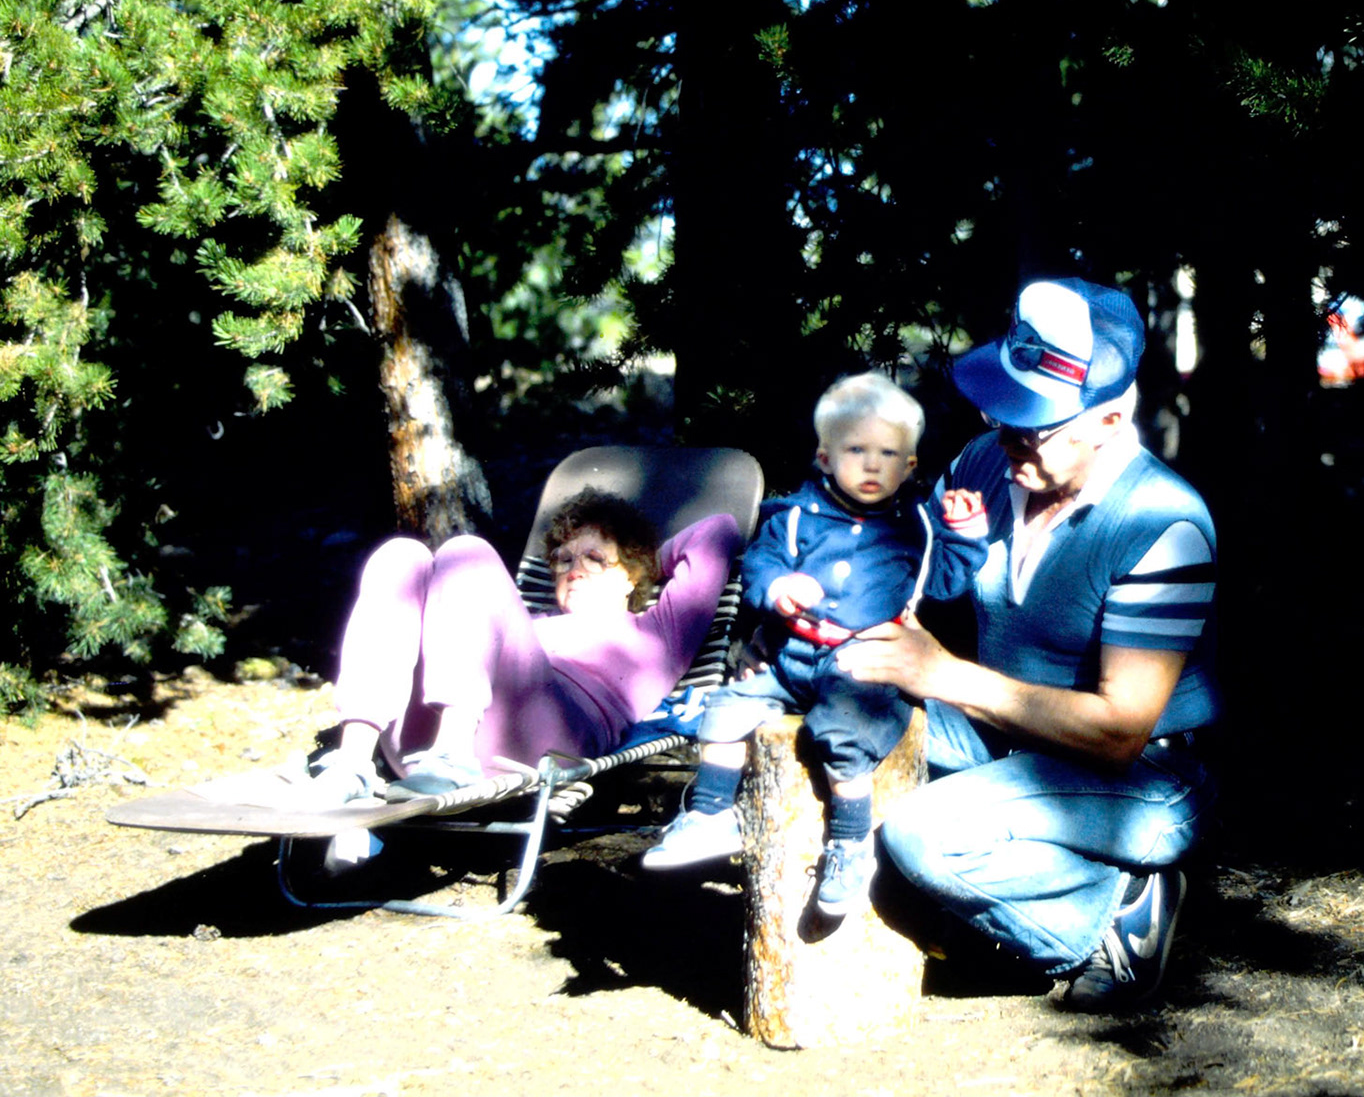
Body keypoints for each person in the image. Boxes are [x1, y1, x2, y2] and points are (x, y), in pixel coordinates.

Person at [836, 278, 1221, 1011]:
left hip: (1141, 776)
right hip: (1009, 740)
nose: (1008, 437)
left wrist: (942, 674)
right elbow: (904, 568)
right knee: (837, 705)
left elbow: (1119, 731)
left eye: (1033, 425)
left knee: (926, 835)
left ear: (1109, 421)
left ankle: (1114, 909)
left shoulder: (1162, 522)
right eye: (1001, 413)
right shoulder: (990, 462)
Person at [643, 373, 988, 916]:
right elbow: (760, 565)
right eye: (856, 451)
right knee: (725, 709)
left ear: (909, 466)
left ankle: (851, 847)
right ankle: (710, 815)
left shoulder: (917, 524)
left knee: (844, 737)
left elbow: (943, 583)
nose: (872, 466)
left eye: (887, 454)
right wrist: (778, 589)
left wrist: (967, 536)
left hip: (860, 664)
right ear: (825, 458)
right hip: (788, 656)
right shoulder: (795, 515)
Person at [309, 490, 743, 812]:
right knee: (400, 555)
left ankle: (453, 755)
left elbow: (719, 530)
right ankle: (353, 764)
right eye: (563, 559)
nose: (574, 570)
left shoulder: (657, 634)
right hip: (418, 744)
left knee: (466, 552)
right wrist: (615, 560)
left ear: (630, 575)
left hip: (546, 741)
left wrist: (645, 562)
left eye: (594, 559)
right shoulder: (524, 621)